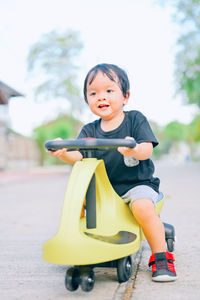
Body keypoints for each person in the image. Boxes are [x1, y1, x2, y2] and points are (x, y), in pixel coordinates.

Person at [47, 63, 177, 282]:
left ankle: (161, 257)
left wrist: (134, 149)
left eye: (109, 90)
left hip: (137, 185)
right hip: (104, 190)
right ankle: (76, 243)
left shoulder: (135, 119)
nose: (101, 97)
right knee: (75, 204)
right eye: (93, 92)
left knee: (143, 207)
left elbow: (146, 150)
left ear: (125, 96)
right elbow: (78, 155)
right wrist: (62, 152)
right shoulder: (89, 130)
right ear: (87, 99)